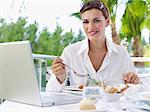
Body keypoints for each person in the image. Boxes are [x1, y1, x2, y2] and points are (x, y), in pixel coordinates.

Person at [46, 0, 140, 92]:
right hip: (79, 107)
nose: (90, 27)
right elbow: (50, 91)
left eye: (96, 21)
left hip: (112, 107)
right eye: (86, 22)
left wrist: (134, 82)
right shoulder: (71, 52)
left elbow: (136, 89)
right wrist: (59, 79)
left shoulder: (122, 54)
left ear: (107, 22)